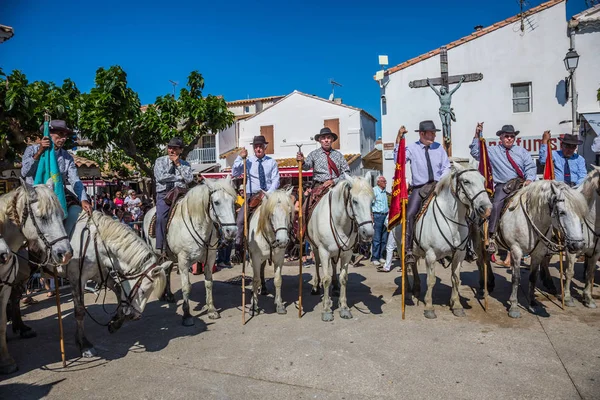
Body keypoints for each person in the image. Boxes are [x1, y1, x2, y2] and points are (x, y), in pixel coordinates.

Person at [470, 124, 536, 253]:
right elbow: (476, 152)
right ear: (501, 137)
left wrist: (529, 179)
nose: (510, 139)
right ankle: (492, 236)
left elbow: (530, 167)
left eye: (512, 136)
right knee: (496, 205)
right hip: (503, 186)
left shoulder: (522, 151)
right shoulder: (492, 151)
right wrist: (477, 135)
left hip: (522, 184)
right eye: (507, 136)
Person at [400, 121, 451, 268]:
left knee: (456, 207)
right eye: (431, 132)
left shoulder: (439, 148)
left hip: (438, 186)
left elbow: (446, 167)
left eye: (434, 133)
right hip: (420, 188)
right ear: (422, 134)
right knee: (410, 214)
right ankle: (409, 249)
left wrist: (442, 182)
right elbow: (400, 159)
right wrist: (399, 141)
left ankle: (459, 246)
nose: (434, 135)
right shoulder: (412, 148)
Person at [21, 119, 93, 214]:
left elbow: (75, 179)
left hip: (56, 198)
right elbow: (25, 172)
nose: (63, 138)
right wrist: (39, 152)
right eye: (60, 134)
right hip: (33, 198)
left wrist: (83, 199)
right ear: (49, 134)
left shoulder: (67, 158)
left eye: (65, 135)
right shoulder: (31, 150)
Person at [231, 135, 280, 259]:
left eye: (260, 147)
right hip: (252, 195)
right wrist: (239, 157)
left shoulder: (271, 162)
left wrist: (268, 192)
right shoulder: (247, 161)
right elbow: (235, 173)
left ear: (265, 147)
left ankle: (283, 242)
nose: (258, 149)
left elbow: (276, 180)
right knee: (240, 220)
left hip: (268, 195)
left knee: (282, 215)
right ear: (253, 148)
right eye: (256, 147)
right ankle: (238, 247)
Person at [153, 137, 194, 253]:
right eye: (170, 148)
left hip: (181, 193)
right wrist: (179, 177)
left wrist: (178, 165)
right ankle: (160, 247)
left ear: (180, 150)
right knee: (161, 218)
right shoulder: (160, 161)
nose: (171, 151)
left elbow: (189, 179)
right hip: (164, 194)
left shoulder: (185, 164)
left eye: (175, 148)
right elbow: (161, 177)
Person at [371, 176, 389, 267]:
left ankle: (381, 256)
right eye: (383, 181)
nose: (385, 182)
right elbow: (370, 204)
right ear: (378, 182)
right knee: (377, 238)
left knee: (384, 238)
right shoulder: (374, 191)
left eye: (385, 181)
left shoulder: (385, 192)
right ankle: (375, 257)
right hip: (377, 215)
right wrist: (371, 216)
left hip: (385, 215)